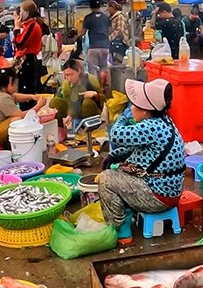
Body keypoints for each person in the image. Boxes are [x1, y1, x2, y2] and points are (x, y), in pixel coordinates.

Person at [99, 78, 184, 240]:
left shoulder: (151, 126)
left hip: (160, 196)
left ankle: (120, 231)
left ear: (145, 111)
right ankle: (126, 214)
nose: (131, 108)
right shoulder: (162, 121)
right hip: (168, 190)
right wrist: (114, 156)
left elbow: (115, 135)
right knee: (119, 170)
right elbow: (136, 147)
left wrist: (123, 117)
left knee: (106, 179)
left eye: (134, 106)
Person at [0, 67, 39, 147]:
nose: (15, 86)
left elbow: (14, 97)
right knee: (17, 120)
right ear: (3, 87)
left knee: (15, 119)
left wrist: (32, 97)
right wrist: (39, 105)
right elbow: (22, 116)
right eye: (12, 84)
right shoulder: (2, 98)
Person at [49, 59, 103, 133]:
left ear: (78, 72)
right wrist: (70, 115)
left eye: (71, 75)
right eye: (66, 75)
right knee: (55, 102)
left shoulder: (90, 79)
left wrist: (95, 94)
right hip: (75, 109)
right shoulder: (66, 84)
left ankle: (90, 130)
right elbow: (70, 103)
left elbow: (104, 98)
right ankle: (61, 130)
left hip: (90, 110)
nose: (69, 78)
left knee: (87, 103)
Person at [13, 0, 46, 109]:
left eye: (21, 11)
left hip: (28, 59)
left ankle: (27, 111)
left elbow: (19, 43)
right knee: (23, 87)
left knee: (26, 88)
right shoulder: (28, 25)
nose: (20, 14)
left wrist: (16, 28)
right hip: (26, 59)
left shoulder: (32, 26)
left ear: (26, 13)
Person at [82, 0, 112, 79]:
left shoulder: (88, 18)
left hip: (93, 47)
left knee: (92, 69)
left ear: (90, 7)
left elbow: (82, 33)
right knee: (103, 67)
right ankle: (103, 87)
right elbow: (110, 31)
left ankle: (95, 88)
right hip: (105, 46)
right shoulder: (106, 17)